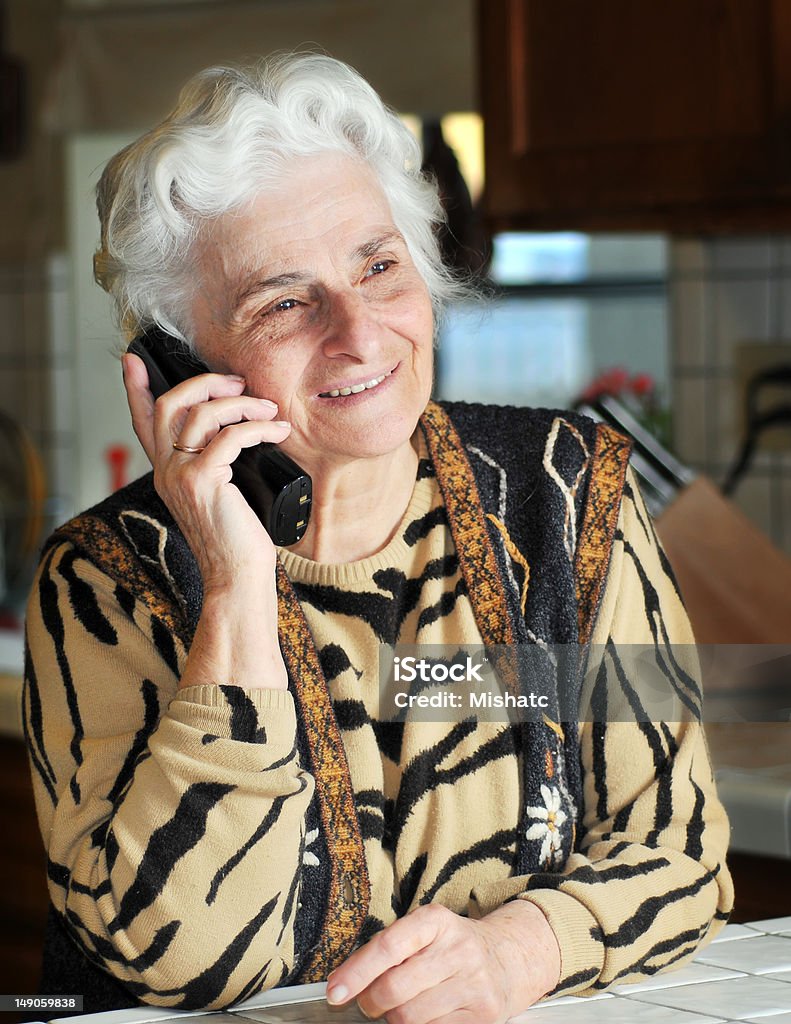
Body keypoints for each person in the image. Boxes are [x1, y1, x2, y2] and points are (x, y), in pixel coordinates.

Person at [23, 53, 733, 1022]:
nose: (358, 332)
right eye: (283, 302)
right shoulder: (103, 582)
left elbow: (678, 850)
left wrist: (520, 952)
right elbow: (181, 965)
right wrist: (234, 585)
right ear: (183, 363)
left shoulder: (569, 499)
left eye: (377, 266)